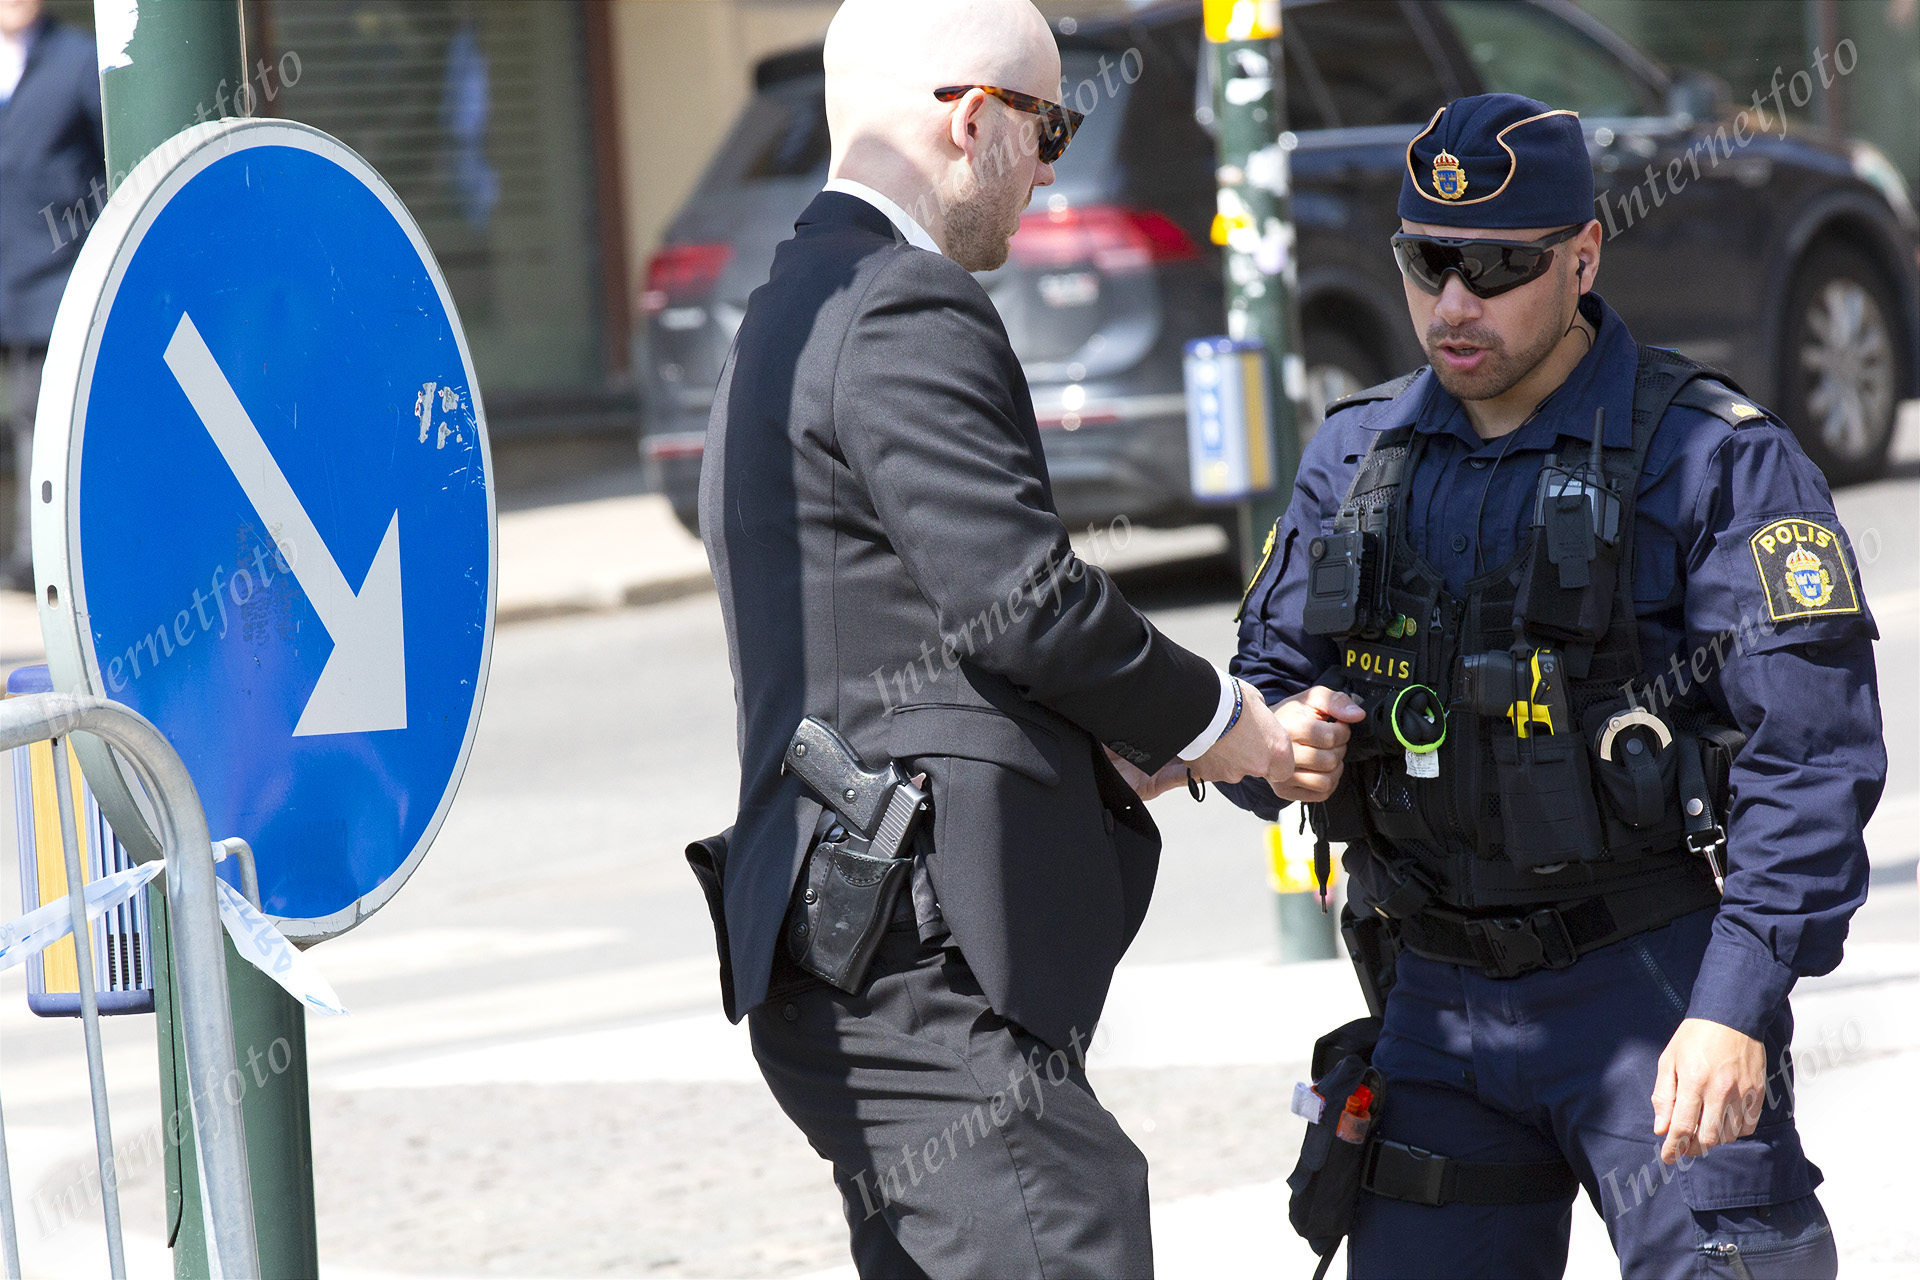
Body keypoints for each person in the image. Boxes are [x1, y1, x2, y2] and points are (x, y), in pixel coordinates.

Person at [693, 1, 1360, 1274]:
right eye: (1049, 127)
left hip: (853, 940)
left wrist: (1126, 757)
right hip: (917, 965)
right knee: (1070, 1229)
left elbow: (887, 641)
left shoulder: (786, 306)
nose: (1050, 167)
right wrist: (1234, 726)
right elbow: (1021, 604)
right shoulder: (902, 303)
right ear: (971, 118)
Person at [1224, 93, 1881, 1278]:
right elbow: (1266, 681)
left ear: (1584, 256)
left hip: (1650, 992)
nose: (1454, 301)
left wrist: (1734, 1006)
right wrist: (1284, 741)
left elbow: (1813, 764)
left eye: (1498, 265)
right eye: (1428, 261)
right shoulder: (1355, 454)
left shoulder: (1714, 457)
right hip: (1434, 1001)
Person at [0, 0, 103, 588]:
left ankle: (42, 558)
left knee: (48, 422)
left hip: (57, 280)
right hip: (8, 284)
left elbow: (113, 159)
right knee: (25, 420)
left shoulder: (76, 58)